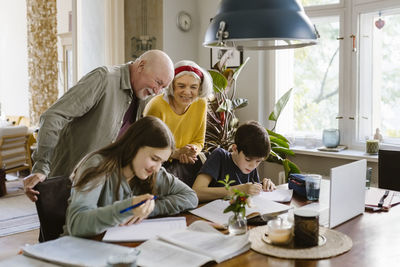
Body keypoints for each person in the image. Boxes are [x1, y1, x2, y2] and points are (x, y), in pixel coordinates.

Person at [24, 50, 174, 202]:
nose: (157, 91)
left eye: (163, 87)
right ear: (141, 65)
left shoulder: (142, 97)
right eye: (158, 82)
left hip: (101, 188)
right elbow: (53, 117)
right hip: (68, 183)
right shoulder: (104, 79)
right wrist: (41, 166)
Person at [64, 116, 198, 237]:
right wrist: (126, 209)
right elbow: (77, 224)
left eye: (162, 162)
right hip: (79, 252)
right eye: (154, 158)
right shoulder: (97, 165)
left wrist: (148, 209)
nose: (157, 168)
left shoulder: (152, 172)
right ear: (133, 146)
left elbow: (190, 197)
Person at [143, 60, 212, 186]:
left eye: (193, 87)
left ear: (200, 88)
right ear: (172, 85)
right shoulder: (156, 106)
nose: (187, 92)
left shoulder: (201, 103)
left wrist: (192, 150)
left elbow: (199, 141)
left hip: (186, 162)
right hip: (158, 165)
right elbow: (148, 149)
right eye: (181, 86)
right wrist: (176, 154)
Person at [192, 120, 276, 202]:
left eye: (258, 161)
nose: (253, 166)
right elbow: (196, 192)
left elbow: (252, 195)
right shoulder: (219, 156)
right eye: (248, 159)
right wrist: (237, 190)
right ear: (235, 149)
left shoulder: (250, 167)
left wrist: (264, 186)